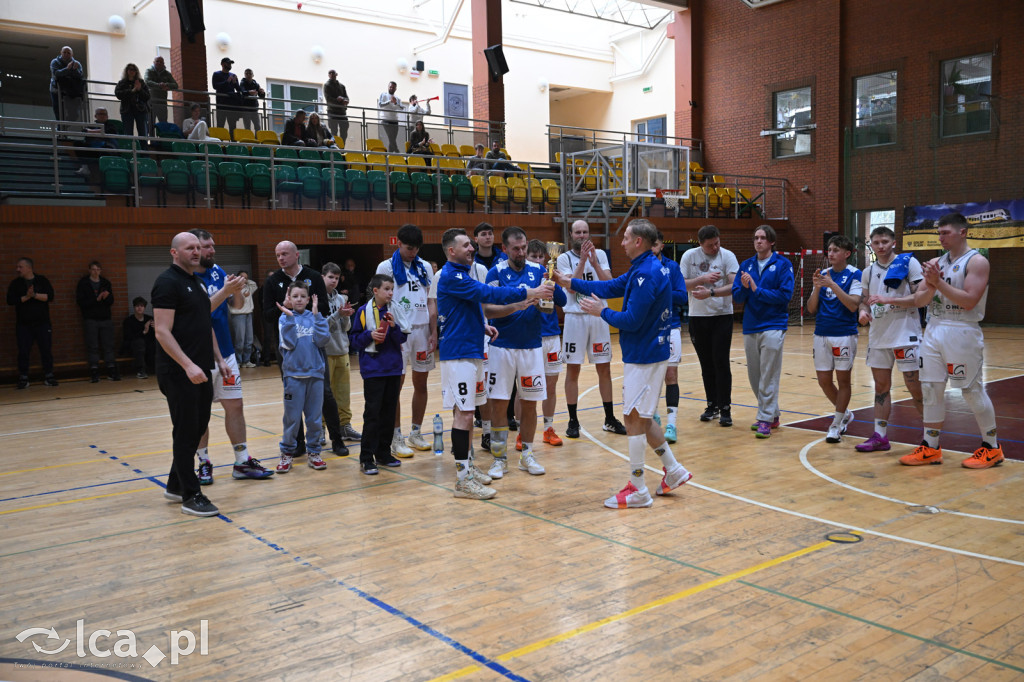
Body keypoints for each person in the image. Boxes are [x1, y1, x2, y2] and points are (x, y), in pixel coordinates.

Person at [553, 219, 692, 509]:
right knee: (641, 416)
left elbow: (631, 321)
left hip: (644, 356)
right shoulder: (643, 268)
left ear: (639, 241)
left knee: (631, 419)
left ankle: (638, 488)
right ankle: (674, 470)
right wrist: (569, 282)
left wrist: (601, 312)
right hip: (647, 353)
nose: (622, 242)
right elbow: (611, 285)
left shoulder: (647, 275)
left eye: (626, 237)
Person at [436, 228, 553, 500]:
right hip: (459, 353)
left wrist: (482, 326)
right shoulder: (452, 275)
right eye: (465, 245)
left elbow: (470, 307)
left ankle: (468, 468)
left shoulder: (462, 274)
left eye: (470, 245)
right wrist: (530, 291)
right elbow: (489, 294)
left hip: (473, 348)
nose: (471, 249)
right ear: (451, 250)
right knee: (464, 415)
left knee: (470, 410)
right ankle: (463, 480)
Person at [901, 213, 1001, 468]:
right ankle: (931, 447)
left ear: (962, 232)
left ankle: (992, 447)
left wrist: (938, 283)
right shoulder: (936, 262)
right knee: (931, 389)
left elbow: (968, 301)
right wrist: (932, 285)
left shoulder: (977, 261)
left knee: (970, 389)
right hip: (934, 328)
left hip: (961, 330)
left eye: (945, 232)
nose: (940, 237)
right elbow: (919, 301)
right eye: (939, 233)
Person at [191, 229, 274, 484]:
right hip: (200, 356)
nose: (212, 250)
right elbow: (201, 310)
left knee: (235, 406)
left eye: (212, 245)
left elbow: (236, 307)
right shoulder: (187, 277)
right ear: (194, 249)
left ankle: (242, 461)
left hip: (226, 354)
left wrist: (236, 290)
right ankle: (203, 462)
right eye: (206, 246)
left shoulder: (216, 270)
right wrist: (227, 290)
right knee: (200, 412)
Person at [484, 227, 568, 479]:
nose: (521, 253)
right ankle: (499, 458)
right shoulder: (495, 272)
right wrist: (518, 305)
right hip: (502, 347)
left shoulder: (539, 271)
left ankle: (527, 455)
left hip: (532, 347)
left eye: (524, 248)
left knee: (531, 403)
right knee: (500, 403)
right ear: (505, 249)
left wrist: (549, 292)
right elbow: (487, 309)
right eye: (516, 249)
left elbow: (556, 304)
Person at [151, 232, 222, 517]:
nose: (195, 252)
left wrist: (217, 358)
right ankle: (191, 495)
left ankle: (175, 483)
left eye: (198, 247)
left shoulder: (195, 281)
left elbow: (204, 321)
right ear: (174, 252)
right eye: (189, 248)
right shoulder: (167, 283)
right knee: (186, 430)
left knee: (198, 425)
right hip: (179, 371)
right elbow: (161, 330)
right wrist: (187, 365)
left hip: (201, 368)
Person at [262, 241, 348, 456]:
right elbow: (267, 314)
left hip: (314, 345)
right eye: (277, 254)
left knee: (325, 393)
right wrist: (286, 309)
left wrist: (301, 306)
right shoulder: (273, 281)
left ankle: (337, 439)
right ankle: (298, 443)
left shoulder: (314, 276)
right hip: (290, 348)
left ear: (296, 254)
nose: (280, 258)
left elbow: (325, 309)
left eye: (284, 254)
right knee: (293, 395)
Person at [855, 226, 925, 452]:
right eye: (876, 243)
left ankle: (930, 437)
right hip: (878, 336)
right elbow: (865, 300)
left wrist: (887, 300)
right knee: (881, 387)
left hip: (906, 334)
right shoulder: (867, 271)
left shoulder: (908, 263)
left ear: (893, 242)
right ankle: (880, 436)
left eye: (885, 241)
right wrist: (862, 312)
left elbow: (920, 297)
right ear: (871, 245)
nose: (881, 246)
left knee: (915, 387)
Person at [556, 220, 627, 439]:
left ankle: (609, 418)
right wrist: (582, 262)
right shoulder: (564, 258)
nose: (582, 235)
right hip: (575, 318)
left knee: (604, 368)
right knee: (573, 370)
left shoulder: (602, 256)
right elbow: (569, 285)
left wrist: (595, 263)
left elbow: (610, 285)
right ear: (571, 235)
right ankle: (573, 420)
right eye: (578, 232)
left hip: (598, 316)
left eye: (585, 232)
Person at [375, 224, 435, 456]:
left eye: (417, 248)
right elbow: (381, 300)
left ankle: (416, 432)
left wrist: (433, 331)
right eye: (409, 248)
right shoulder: (386, 266)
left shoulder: (425, 267)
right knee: (395, 386)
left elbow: (431, 301)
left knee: (421, 383)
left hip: (422, 332)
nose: (413, 252)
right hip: (397, 332)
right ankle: (395, 435)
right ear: (398, 243)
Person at [731, 225, 795, 439]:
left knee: (768, 374)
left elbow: (784, 296)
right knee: (755, 376)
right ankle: (773, 414)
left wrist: (757, 290)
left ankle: (765, 418)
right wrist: (743, 287)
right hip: (750, 325)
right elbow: (738, 297)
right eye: (756, 237)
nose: (758, 241)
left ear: (771, 242)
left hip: (774, 324)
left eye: (762, 238)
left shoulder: (783, 265)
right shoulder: (746, 265)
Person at [680, 224, 739, 427]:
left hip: (722, 315)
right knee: (706, 364)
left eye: (717, 243)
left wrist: (711, 292)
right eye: (710, 245)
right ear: (700, 244)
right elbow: (681, 284)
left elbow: (734, 286)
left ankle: (725, 408)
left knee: (721, 362)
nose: (715, 248)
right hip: (698, 316)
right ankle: (711, 405)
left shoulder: (727, 256)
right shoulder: (689, 256)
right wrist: (702, 279)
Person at [806, 235, 862, 443]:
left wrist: (833, 285)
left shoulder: (856, 274)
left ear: (846, 254)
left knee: (843, 380)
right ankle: (845, 413)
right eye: (829, 250)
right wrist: (819, 286)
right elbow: (811, 309)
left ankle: (836, 424)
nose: (831, 253)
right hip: (821, 333)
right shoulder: (823, 275)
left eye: (835, 250)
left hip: (844, 335)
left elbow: (853, 305)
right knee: (823, 381)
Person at [350, 274, 407, 475]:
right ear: (376, 291)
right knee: (372, 414)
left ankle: (383, 453)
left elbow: (402, 338)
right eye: (387, 289)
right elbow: (355, 340)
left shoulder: (396, 310)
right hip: (373, 369)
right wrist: (369, 335)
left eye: (392, 289)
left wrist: (393, 328)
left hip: (393, 368)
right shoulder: (363, 312)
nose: (391, 292)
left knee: (388, 413)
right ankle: (366, 458)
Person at [275, 282, 331, 473]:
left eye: (302, 296)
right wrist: (290, 318)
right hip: (293, 377)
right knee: (292, 419)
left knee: (314, 419)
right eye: (295, 296)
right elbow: (288, 344)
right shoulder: (284, 319)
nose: (299, 300)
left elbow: (323, 340)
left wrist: (316, 315)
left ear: (309, 299)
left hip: (315, 376)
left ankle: (314, 452)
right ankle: (287, 454)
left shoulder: (315, 317)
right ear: (289, 299)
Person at [526, 239, 565, 448]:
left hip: (551, 337)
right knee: (526, 387)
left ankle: (549, 428)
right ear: (526, 257)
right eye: (534, 257)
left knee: (551, 385)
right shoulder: (523, 278)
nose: (539, 261)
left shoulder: (548, 276)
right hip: (530, 337)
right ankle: (521, 431)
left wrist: (552, 281)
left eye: (542, 257)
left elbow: (563, 301)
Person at [651, 232, 687, 443]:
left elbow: (682, 296)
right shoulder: (640, 267)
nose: (652, 248)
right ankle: (653, 414)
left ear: (661, 245)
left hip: (670, 326)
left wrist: (661, 292)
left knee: (671, 375)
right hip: (649, 328)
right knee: (652, 374)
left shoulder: (672, 267)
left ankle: (671, 423)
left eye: (655, 244)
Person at [322, 262, 361, 442]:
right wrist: (337, 315)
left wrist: (345, 316)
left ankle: (344, 426)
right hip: (325, 352)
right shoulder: (318, 299)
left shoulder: (342, 299)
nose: (334, 281)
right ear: (322, 277)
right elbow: (321, 327)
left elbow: (346, 327)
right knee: (324, 394)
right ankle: (320, 429)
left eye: (337, 278)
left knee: (343, 393)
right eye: (330, 277)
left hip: (341, 350)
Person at [7, 257, 58, 389]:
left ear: (29, 268)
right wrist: (27, 297)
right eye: (17, 267)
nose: (17, 269)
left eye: (20, 267)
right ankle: (23, 377)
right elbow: (11, 300)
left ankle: (49, 375)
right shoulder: (16, 283)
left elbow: (50, 297)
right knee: (23, 351)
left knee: (46, 349)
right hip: (23, 324)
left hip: (42, 323)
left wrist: (34, 295)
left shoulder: (42, 280)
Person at [75, 260, 119, 382]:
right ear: (89, 270)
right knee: (92, 346)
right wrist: (97, 299)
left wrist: (106, 297)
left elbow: (111, 301)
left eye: (98, 269)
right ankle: (94, 370)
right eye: (93, 269)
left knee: (108, 345)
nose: (95, 272)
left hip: (105, 318)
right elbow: (81, 302)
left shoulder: (105, 283)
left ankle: (111, 369)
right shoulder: (83, 283)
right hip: (91, 319)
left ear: (100, 271)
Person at [228, 269, 258, 367]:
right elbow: (231, 301)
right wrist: (238, 282)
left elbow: (254, 284)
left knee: (249, 339)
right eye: (242, 277)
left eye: (246, 278)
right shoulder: (233, 288)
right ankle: (238, 361)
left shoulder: (249, 287)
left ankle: (246, 360)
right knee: (239, 340)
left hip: (249, 314)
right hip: (238, 315)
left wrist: (245, 280)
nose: (244, 279)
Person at [114, 63, 151, 142]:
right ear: (127, 71)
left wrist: (139, 89)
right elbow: (118, 94)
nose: (132, 71)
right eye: (130, 69)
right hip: (127, 110)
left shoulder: (141, 82)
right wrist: (132, 91)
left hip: (140, 110)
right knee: (128, 133)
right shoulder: (122, 83)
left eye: (134, 70)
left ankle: (144, 152)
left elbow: (147, 96)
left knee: (143, 133)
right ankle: (130, 151)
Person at [49, 46, 85, 127]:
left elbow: (80, 76)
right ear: (61, 53)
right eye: (64, 52)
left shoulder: (77, 63)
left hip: (71, 91)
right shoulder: (55, 62)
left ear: (72, 54)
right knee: (59, 113)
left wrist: (75, 70)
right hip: (56, 91)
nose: (66, 54)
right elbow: (56, 74)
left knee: (74, 114)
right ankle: (60, 130)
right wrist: (67, 69)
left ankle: (64, 127)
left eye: (68, 53)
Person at [122, 296, 155, 378]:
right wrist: (144, 331)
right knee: (139, 343)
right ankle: (141, 371)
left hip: (148, 343)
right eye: (137, 306)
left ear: (144, 308)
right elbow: (128, 336)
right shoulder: (129, 320)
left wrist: (155, 329)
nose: (139, 308)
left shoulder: (149, 319)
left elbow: (153, 336)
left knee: (157, 344)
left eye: (142, 306)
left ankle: (158, 369)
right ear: (134, 307)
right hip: (133, 344)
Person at [211, 57, 245, 134]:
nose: (230, 65)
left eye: (230, 63)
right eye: (228, 63)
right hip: (221, 104)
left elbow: (239, 89)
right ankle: (221, 144)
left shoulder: (233, 75)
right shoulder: (217, 74)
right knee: (220, 125)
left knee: (233, 126)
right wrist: (227, 82)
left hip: (231, 105)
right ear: (222, 64)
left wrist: (235, 83)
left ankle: (233, 144)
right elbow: (215, 86)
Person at [144, 56, 178, 126]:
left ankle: (162, 136)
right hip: (150, 102)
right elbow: (147, 81)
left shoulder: (167, 74)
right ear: (154, 62)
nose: (159, 63)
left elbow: (176, 85)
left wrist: (166, 85)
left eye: (161, 62)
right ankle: (150, 137)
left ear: (163, 64)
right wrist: (159, 85)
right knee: (150, 123)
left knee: (163, 124)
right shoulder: (149, 71)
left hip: (162, 103)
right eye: (157, 61)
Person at [323, 69, 350, 145]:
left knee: (344, 130)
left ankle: (342, 146)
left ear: (336, 74)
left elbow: (347, 98)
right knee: (334, 131)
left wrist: (345, 100)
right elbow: (328, 99)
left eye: (333, 73)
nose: (331, 74)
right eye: (330, 73)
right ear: (328, 75)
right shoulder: (327, 85)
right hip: (332, 111)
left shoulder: (342, 86)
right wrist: (339, 100)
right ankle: (335, 147)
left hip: (342, 112)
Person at [377, 81, 403, 152]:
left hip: (395, 120)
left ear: (395, 89)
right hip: (386, 120)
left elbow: (402, 108)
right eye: (390, 87)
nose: (391, 88)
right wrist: (389, 101)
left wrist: (395, 103)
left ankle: (390, 155)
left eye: (393, 87)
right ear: (388, 87)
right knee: (391, 138)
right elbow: (380, 105)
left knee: (392, 139)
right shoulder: (383, 94)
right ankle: (397, 152)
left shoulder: (397, 98)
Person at [238, 68, 265, 132]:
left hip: (254, 108)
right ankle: (248, 140)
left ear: (253, 75)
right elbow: (242, 92)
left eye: (250, 73)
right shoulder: (242, 83)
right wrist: (249, 92)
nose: (248, 75)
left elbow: (261, 96)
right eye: (246, 73)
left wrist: (262, 92)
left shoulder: (255, 84)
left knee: (257, 126)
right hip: (246, 108)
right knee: (247, 126)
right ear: (244, 75)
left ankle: (257, 141)